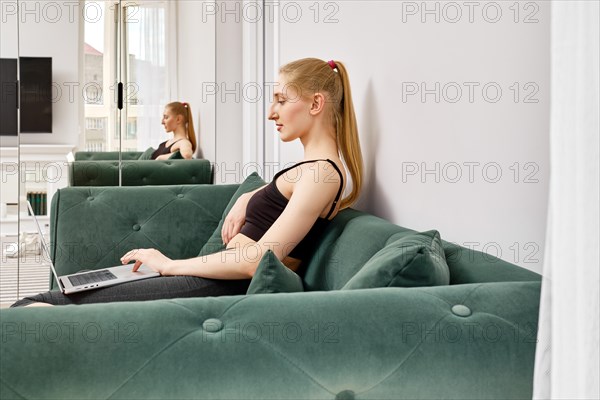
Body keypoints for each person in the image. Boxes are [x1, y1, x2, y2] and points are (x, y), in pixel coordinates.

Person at [11, 58, 363, 307]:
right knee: (54, 298)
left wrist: (169, 264)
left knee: (36, 307)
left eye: (282, 101)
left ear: (317, 103)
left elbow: (258, 260)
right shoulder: (310, 169)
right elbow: (278, 204)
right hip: (214, 279)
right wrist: (248, 197)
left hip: (222, 289)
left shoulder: (323, 174)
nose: (272, 112)